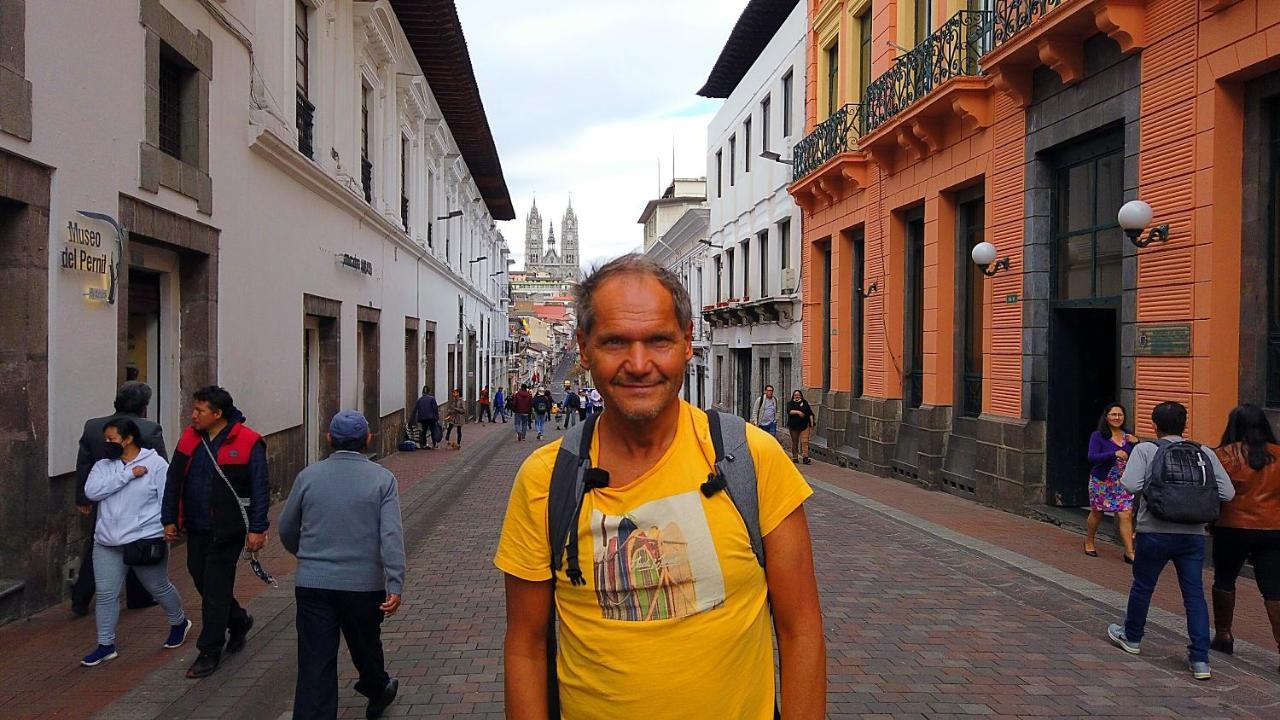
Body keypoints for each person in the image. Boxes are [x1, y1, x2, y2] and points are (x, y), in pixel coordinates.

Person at [496, 254, 824, 718]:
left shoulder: (750, 458)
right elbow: (526, 646)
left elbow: (801, 629)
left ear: (687, 342)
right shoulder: (545, 479)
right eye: (614, 342)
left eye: (658, 340)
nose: (638, 363)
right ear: (584, 348)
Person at [279, 410, 405, 720]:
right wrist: (395, 582)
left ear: (329, 439)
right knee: (365, 644)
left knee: (315, 660)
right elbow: (390, 535)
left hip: (313, 584)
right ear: (368, 439)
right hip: (364, 585)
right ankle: (377, 688)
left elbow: (286, 527)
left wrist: (306, 555)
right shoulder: (382, 479)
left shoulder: (308, 476)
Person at [1106, 401, 1235, 680]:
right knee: (1194, 596)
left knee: (1143, 586)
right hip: (1193, 534)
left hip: (1154, 530)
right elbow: (1228, 493)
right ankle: (1200, 659)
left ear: (1155, 425)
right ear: (1184, 425)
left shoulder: (1146, 449)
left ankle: (1133, 637)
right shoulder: (1203, 452)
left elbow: (1129, 485)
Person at [162, 385, 269, 679]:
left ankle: (209, 650)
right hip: (196, 527)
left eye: (200, 410)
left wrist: (258, 528)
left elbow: (260, 488)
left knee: (216, 589)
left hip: (228, 529)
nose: (193, 415)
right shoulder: (189, 439)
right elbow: (174, 480)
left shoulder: (248, 442)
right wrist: (169, 518)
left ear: (217, 414)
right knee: (202, 580)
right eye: (193, 409)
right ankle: (238, 619)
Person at [79, 417, 191, 667]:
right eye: (105, 439)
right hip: (107, 542)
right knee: (106, 594)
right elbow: (92, 491)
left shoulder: (156, 464)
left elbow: (167, 497)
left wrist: (169, 525)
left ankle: (179, 621)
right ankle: (105, 644)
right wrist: (127, 475)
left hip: (143, 540)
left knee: (158, 587)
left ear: (128, 439)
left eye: (111, 439)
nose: (106, 444)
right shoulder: (103, 466)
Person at [72, 382, 169, 616]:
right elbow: (162, 465)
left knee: (102, 545)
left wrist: (83, 497)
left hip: (104, 494)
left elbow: (84, 463)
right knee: (137, 544)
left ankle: (81, 597)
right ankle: (138, 596)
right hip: (136, 499)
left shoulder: (93, 427)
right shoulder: (149, 429)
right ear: (144, 406)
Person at [1209, 403, 1280, 668]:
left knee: (1225, 580)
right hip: (1273, 527)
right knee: (1274, 588)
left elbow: (1214, 493)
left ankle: (1224, 635)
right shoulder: (1278, 455)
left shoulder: (1223, 455)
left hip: (1232, 526)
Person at [1085, 403, 1138, 563]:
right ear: (1106, 417)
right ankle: (1089, 541)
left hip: (1122, 482)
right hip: (1102, 481)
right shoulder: (1098, 435)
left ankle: (1129, 552)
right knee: (1097, 512)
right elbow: (1092, 457)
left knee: (1126, 514)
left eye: (1120, 415)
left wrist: (1136, 442)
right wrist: (1113, 453)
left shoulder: (1128, 435)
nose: (1117, 418)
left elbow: (1137, 455)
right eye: (1113, 415)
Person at [786, 390, 816, 464]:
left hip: (804, 425)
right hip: (793, 426)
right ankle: (795, 457)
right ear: (793, 396)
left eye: (798, 395)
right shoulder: (790, 403)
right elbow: (789, 411)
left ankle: (805, 457)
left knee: (805, 442)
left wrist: (812, 423)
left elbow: (810, 413)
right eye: (795, 395)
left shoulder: (805, 403)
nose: (797, 396)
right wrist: (798, 412)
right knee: (795, 442)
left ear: (801, 395)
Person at [408, 386, 440, 450]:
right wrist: (437, 417)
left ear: (422, 392)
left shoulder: (419, 400)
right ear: (429, 392)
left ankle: (424, 444)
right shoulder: (432, 399)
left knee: (424, 431)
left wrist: (411, 421)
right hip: (431, 418)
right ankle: (434, 444)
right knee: (433, 430)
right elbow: (435, 409)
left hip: (422, 418)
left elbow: (414, 410)